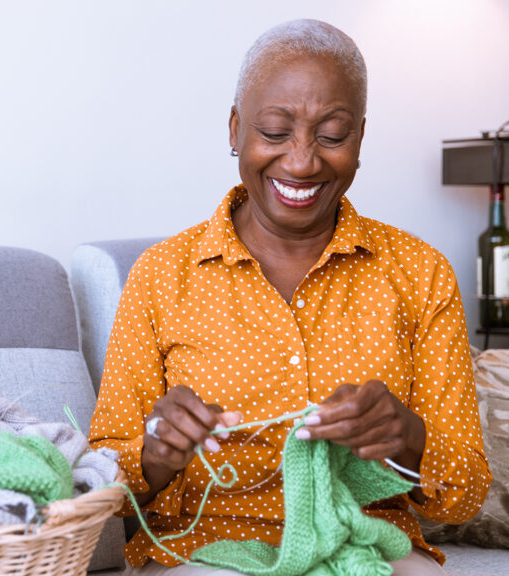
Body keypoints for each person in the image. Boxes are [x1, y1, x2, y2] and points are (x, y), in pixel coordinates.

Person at [88, 19, 491, 576]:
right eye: (274, 132)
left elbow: (465, 496)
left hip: (369, 546)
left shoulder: (419, 274)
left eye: (331, 135)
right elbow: (98, 485)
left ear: (360, 139)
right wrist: (155, 455)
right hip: (203, 550)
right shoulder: (162, 276)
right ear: (235, 129)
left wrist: (408, 439)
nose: (301, 161)